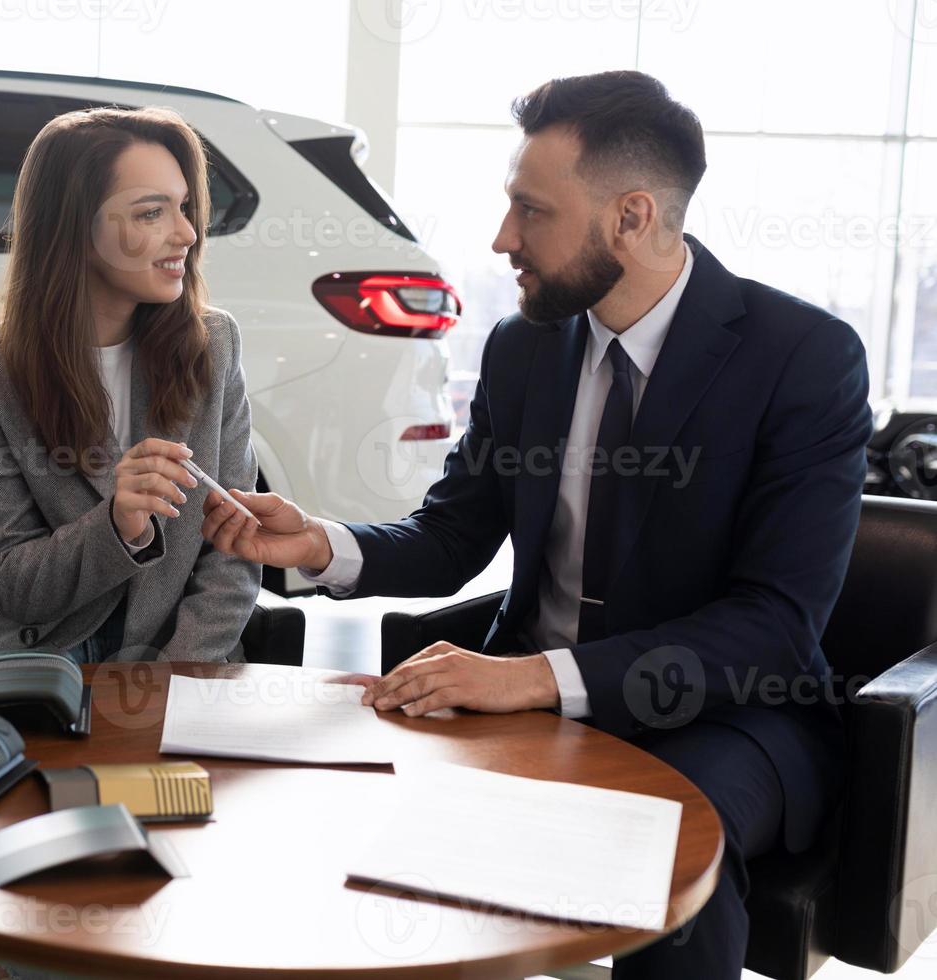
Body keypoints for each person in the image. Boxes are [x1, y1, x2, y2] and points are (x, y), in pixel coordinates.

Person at [201, 71, 871, 979]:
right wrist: (323, 543)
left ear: (631, 217)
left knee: (666, 861)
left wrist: (536, 679)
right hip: (524, 695)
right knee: (316, 812)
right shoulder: (525, 350)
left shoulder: (804, 359)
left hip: (729, 718)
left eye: (531, 210)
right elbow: (451, 537)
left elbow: (773, 626)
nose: (502, 238)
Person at [0, 105, 261, 684]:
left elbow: (232, 553)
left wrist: (178, 675)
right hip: (30, 647)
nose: (186, 233)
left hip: (171, 650)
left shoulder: (215, 345)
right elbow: (12, 584)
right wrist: (118, 524)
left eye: (184, 208)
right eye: (152, 213)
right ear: (73, 229)